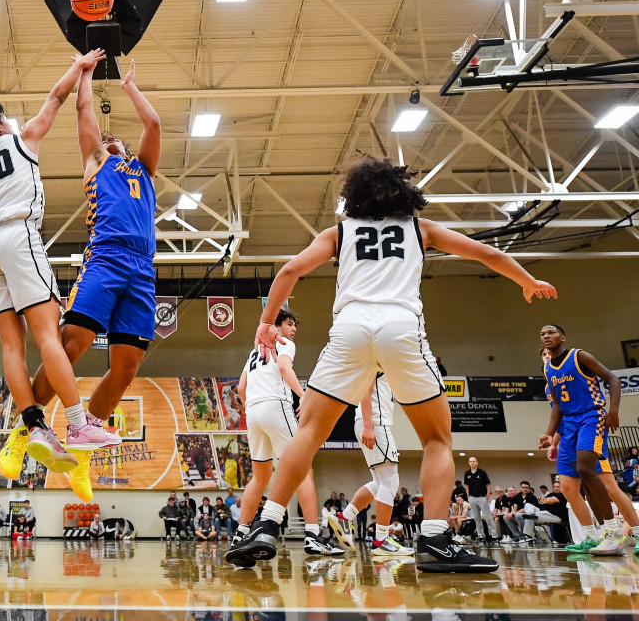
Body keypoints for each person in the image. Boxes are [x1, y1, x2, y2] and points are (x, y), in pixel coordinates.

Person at [227, 156, 557, 574]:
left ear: (355, 196)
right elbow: (486, 253)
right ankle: (435, 538)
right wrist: (527, 281)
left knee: (309, 432)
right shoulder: (423, 230)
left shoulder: (338, 232)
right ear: (404, 195)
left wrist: (264, 323)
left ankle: (267, 524)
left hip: (348, 331)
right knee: (437, 439)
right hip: (401, 330)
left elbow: (290, 270)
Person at [0, 58, 160, 501]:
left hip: (142, 269)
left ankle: (82, 456)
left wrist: (131, 87)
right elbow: (83, 112)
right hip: (105, 259)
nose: (109, 139)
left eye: (115, 139)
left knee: (126, 368)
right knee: (70, 346)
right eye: (105, 139)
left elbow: (155, 122)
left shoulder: (143, 171)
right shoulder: (96, 163)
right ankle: (22, 433)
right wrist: (86, 73)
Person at [0, 50, 107, 476]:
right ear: (0, 126)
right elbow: (55, 100)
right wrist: (79, 67)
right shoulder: (19, 142)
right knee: (49, 338)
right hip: (18, 235)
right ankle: (78, 425)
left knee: (10, 346)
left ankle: (34, 425)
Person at [225, 309, 344, 568]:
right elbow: (283, 366)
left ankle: (240, 536)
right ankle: (313, 535)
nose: (293, 330)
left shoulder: (254, 351)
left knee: (260, 477)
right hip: (275, 406)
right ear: (275, 327)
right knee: (302, 471)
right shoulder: (283, 343)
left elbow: (241, 388)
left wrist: (253, 409)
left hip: (254, 413)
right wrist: (304, 395)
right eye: (290, 324)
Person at [539, 325, 639, 556]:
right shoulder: (549, 373)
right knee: (570, 488)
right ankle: (593, 536)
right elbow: (559, 408)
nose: (545, 338)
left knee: (606, 483)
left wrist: (613, 411)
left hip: (590, 419)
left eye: (550, 333)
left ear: (562, 337)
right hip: (569, 430)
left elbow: (613, 379)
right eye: (542, 335)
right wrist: (550, 435)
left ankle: (635, 536)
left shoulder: (579, 356)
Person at [333, 373, 413, 556]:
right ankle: (381, 540)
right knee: (391, 481)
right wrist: (369, 426)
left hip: (371, 422)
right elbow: (364, 391)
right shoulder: (376, 356)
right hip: (375, 423)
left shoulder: (378, 358)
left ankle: (345, 518)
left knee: (380, 483)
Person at [462, 457, 492, 542]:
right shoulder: (467, 473)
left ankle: (493, 535)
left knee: (488, 517)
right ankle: (481, 535)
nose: (472, 463)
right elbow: (467, 487)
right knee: (477, 518)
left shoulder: (482, 473)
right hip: (472, 498)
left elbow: (488, 485)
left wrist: (487, 497)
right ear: (469, 463)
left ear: (477, 463)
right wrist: (469, 497)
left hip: (482, 497)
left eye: (474, 461)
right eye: (470, 461)